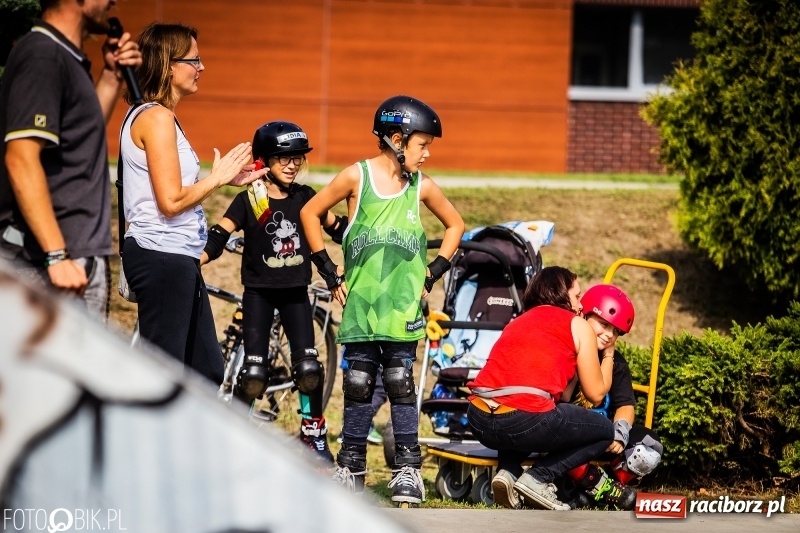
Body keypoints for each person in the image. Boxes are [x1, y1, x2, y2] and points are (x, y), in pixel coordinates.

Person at [300, 95, 465, 504]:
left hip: (403, 309)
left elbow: (455, 225)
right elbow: (310, 212)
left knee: (400, 384)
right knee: (357, 384)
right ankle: (349, 467)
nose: (426, 154)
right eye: (422, 144)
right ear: (397, 139)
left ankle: (407, 470)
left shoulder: (420, 187)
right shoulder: (356, 178)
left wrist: (434, 272)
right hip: (361, 304)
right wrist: (327, 268)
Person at [119, 22, 265, 384]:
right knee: (164, 378)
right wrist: (215, 179)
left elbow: (165, 190)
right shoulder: (155, 117)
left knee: (206, 373)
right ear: (169, 64)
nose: (202, 68)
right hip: (161, 256)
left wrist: (224, 179)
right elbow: (169, 202)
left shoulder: (160, 116)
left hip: (176, 257)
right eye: (195, 60)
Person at [201, 120, 346, 464]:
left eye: (298, 158)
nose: (293, 164)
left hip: (296, 293)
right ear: (264, 160)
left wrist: (368, 235)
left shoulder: (306, 198)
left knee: (309, 369)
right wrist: (196, 260)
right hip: (259, 295)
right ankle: (233, 437)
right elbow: (219, 235)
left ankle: (313, 434)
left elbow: (337, 229)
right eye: (284, 158)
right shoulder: (250, 199)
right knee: (253, 375)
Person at [0, 0, 142, 321]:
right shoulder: (43, 55)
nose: (113, 2)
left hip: (72, 261)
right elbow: (21, 158)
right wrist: (56, 255)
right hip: (44, 264)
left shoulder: (66, 57)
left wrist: (110, 77)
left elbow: (82, 136)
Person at [466, 266, 620, 511]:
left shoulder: (518, 321)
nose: (581, 306)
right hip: (522, 419)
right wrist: (609, 355)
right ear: (559, 292)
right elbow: (597, 394)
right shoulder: (577, 324)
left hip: (478, 417)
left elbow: (563, 396)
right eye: (577, 296)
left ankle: (508, 472)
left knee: (527, 408)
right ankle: (539, 478)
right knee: (603, 430)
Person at [553, 283, 662, 509]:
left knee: (650, 448)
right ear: (584, 315)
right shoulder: (566, 348)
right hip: (571, 433)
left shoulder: (617, 362)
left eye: (616, 332)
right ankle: (589, 486)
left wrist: (620, 433)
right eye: (603, 325)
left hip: (604, 434)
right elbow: (561, 398)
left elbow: (625, 404)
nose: (608, 335)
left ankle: (607, 485)